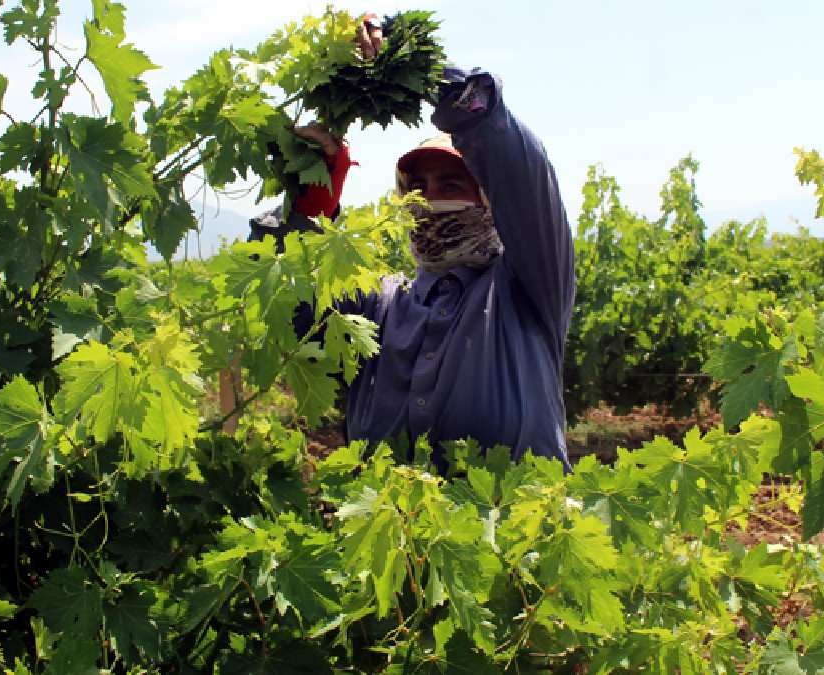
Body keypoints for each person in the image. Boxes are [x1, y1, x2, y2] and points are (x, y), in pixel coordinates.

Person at [239, 15, 575, 472]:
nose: (429, 199)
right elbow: (289, 300)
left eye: (451, 184)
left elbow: (520, 170)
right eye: (417, 186)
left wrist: (431, 75)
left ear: (489, 200)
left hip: (513, 542)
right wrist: (312, 202)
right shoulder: (377, 308)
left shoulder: (529, 287)